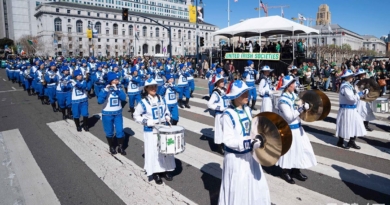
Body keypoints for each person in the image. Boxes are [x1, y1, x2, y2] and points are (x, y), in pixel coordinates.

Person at [218, 80, 270, 205]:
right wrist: (248, 143)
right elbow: (228, 140)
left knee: (253, 185)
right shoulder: (227, 115)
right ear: (235, 97)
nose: (247, 95)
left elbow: (250, 129)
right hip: (236, 158)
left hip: (250, 155)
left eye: (247, 92)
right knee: (238, 189)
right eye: (243, 93)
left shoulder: (247, 109)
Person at [276, 75, 317, 184]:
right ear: (288, 86)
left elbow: (300, 105)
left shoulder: (293, 95)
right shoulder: (283, 100)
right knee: (289, 151)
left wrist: (306, 105)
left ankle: (295, 170)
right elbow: (289, 117)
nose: (295, 85)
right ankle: (285, 172)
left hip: (298, 128)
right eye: (293, 83)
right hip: (289, 129)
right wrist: (301, 108)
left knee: (300, 150)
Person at [133, 78, 175, 185]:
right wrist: (147, 121)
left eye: (155, 86)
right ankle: (156, 172)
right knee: (154, 151)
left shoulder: (162, 98)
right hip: (151, 131)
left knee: (165, 150)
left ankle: (165, 170)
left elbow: (166, 111)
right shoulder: (143, 102)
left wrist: (167, 116)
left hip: (163, 129)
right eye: (151, 87)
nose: (153, 88)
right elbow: (136, 116)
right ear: (146, 89)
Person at [335, 69, 366, 149]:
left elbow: (354, 95)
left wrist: (361, 93)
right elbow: (351, 98)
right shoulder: (345, 86)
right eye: (351, 76)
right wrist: (361, 94)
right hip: (346, 109)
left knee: (357, 124)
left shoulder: (349, 85)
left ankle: (351, 142)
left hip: (352, 109)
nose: (353, 77)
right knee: (345, 125)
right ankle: (340, 141)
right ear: (346, 77)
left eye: (352, 76)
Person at [98, 72, 127, 155]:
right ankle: (111, 146)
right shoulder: (104, 89)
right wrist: (106, 90)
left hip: (118, 113)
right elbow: (100, 101)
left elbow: (123, 98)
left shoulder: (119, 89)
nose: (116, 81)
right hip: (107, 114)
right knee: (109, 131)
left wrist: (117, 90)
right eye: (115, 80)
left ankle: (121, 147)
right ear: (110, 81)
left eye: (117, 80)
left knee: (120, 131)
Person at [207, 73, 229, 153]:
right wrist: (219, 108)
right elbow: (209, 104)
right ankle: (219, 147)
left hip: (226, 114)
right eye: (221, 81)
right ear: (217, 83)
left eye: (223, 81)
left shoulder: (224, 90)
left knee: (225, 130)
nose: (223, 82)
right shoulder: (215, 93)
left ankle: (224, 145)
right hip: (219, 114)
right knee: (219, 131)